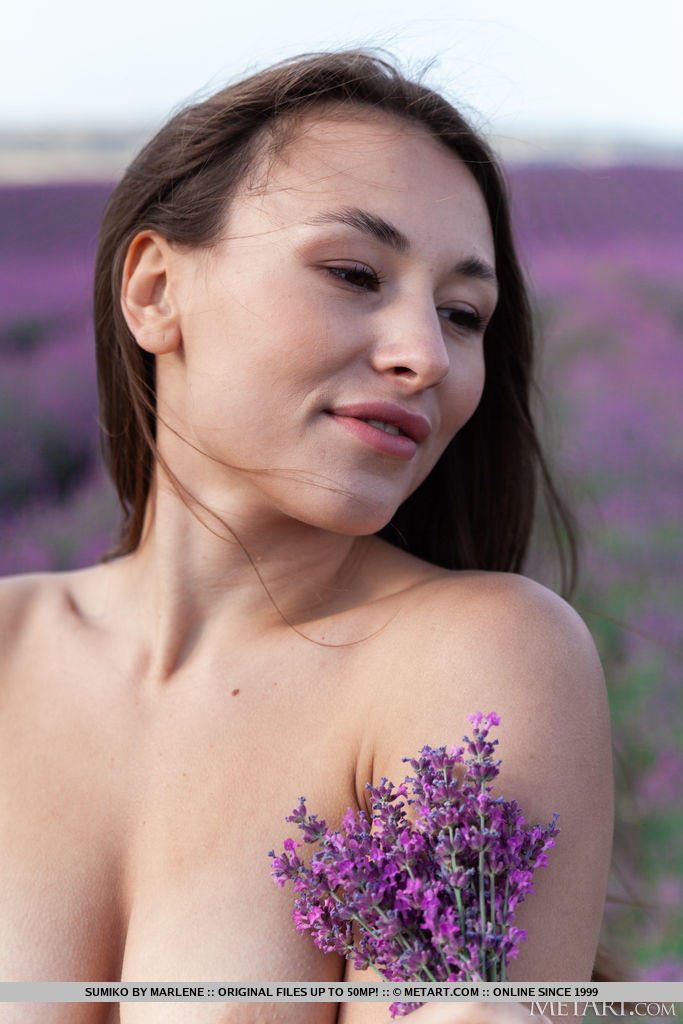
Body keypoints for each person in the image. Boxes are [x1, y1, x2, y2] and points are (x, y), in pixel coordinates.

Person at [0, 51, 613, 1023]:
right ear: (155, 291)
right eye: (353, 273)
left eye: (462, 314)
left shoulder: (474, 655)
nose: (424, 355)